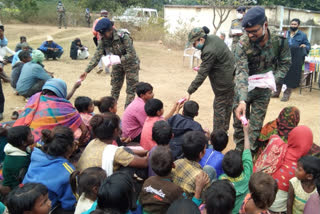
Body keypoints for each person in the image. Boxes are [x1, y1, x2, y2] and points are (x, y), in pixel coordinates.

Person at [233, 7, 291, 153]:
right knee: (240, 124)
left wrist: (273, 80)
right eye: (248, 32)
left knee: (255, 126)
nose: (251, 35)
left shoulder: (280, 41)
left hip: (263, 90)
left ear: (265, 24)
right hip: (244, 89)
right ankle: (239, 155)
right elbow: (241, 72)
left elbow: (285, 62)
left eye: (254, 31)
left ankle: (249, 155)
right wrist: (241, 100)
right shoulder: (242, 44)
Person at [80, 18, 140, 108]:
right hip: (117, 63)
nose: (102, 35)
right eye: (101, 34)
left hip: (130, 64)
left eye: (103, 33)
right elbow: (97, 55)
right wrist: (86, 71)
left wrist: (118, 59)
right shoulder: (103, 39)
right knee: (115, 88)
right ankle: (111, 110)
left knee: (131, 90)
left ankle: (128, 113)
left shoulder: (123, 36)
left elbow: (131, 54)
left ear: (110, 30)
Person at [186, 26, 235, 133]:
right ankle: (224, 132)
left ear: (201, 39)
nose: (194, 46)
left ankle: (218, 135)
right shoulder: (214, 38)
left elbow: (202, 73)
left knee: (219, 108)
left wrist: (190, 90)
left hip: (223, 83)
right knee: (228, 106)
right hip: (232, 78)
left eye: (194, 43)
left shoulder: (209, 50)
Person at [253, 126, 313, 213]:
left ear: (291, 137)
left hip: (259, 201)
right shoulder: (302, 170)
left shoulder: (277, 146)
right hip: (278, 209)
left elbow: (274, 137)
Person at [14, 78, 88, 144]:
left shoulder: (36, 96)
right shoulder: (66, 107)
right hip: (44, 143)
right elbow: (84, 130)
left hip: (23, 136)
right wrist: (79, 144)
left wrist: (74, 88)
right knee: (77, 132)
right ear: (62, 90)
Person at [23, 126, 77, 213]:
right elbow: (69, 204)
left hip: (25, 200)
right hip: (46, 208)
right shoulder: (67, 171)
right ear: (69, 148)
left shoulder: (36, 153)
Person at [139, 146, 208, 213]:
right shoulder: (175, 190)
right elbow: (188, 209)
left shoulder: (147, 181)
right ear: (173, 165)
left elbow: (139, 203)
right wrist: (198, 190)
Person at [77, 113, 148, 175]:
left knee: (125, 150)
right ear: (115, 131)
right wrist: (150, 152)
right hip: (100, 187)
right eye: (119, 126)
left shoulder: (93, 142)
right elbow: (145, 163)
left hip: (85, 183)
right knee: (132, 169)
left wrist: (145, 152)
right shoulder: (116, 153)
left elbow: (122, 150)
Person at [272, 18, 311, 101]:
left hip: (294, 58)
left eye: (295, 24)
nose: (293, 26)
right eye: (292, 24)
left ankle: (286, 94)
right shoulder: (285, 33)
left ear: (298, 25)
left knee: (291, 76)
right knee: (280, 74)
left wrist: (305, 46)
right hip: (283, 57)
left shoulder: (302, 35)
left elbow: (308, 46)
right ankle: (276, 92)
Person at [219, 123, 252, 214]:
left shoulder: (222, 180)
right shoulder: (247, 176)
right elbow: (247, 150)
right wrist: (246, 132)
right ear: (242, 167)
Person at [172, 131, 214, 198]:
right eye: (205, 148)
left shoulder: (176, 163)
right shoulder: (202, 178)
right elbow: (204, 201)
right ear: (200, 154)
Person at [0, 126, 33, 195]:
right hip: (14, 189)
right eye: (30, 136)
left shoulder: (16, 146)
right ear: (23, 143)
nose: (33, 136)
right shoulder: (21, 161)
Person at [92, 9, 109, 73]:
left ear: (100, 14)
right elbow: (113, 29)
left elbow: (94, 31)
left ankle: (100, 67)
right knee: (108, 54)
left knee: (99, 54)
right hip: (108, 40)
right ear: (107, 14)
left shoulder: (97, 20)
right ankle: (107, 69)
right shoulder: (109, 21)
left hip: (100, 39)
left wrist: (97, 36)